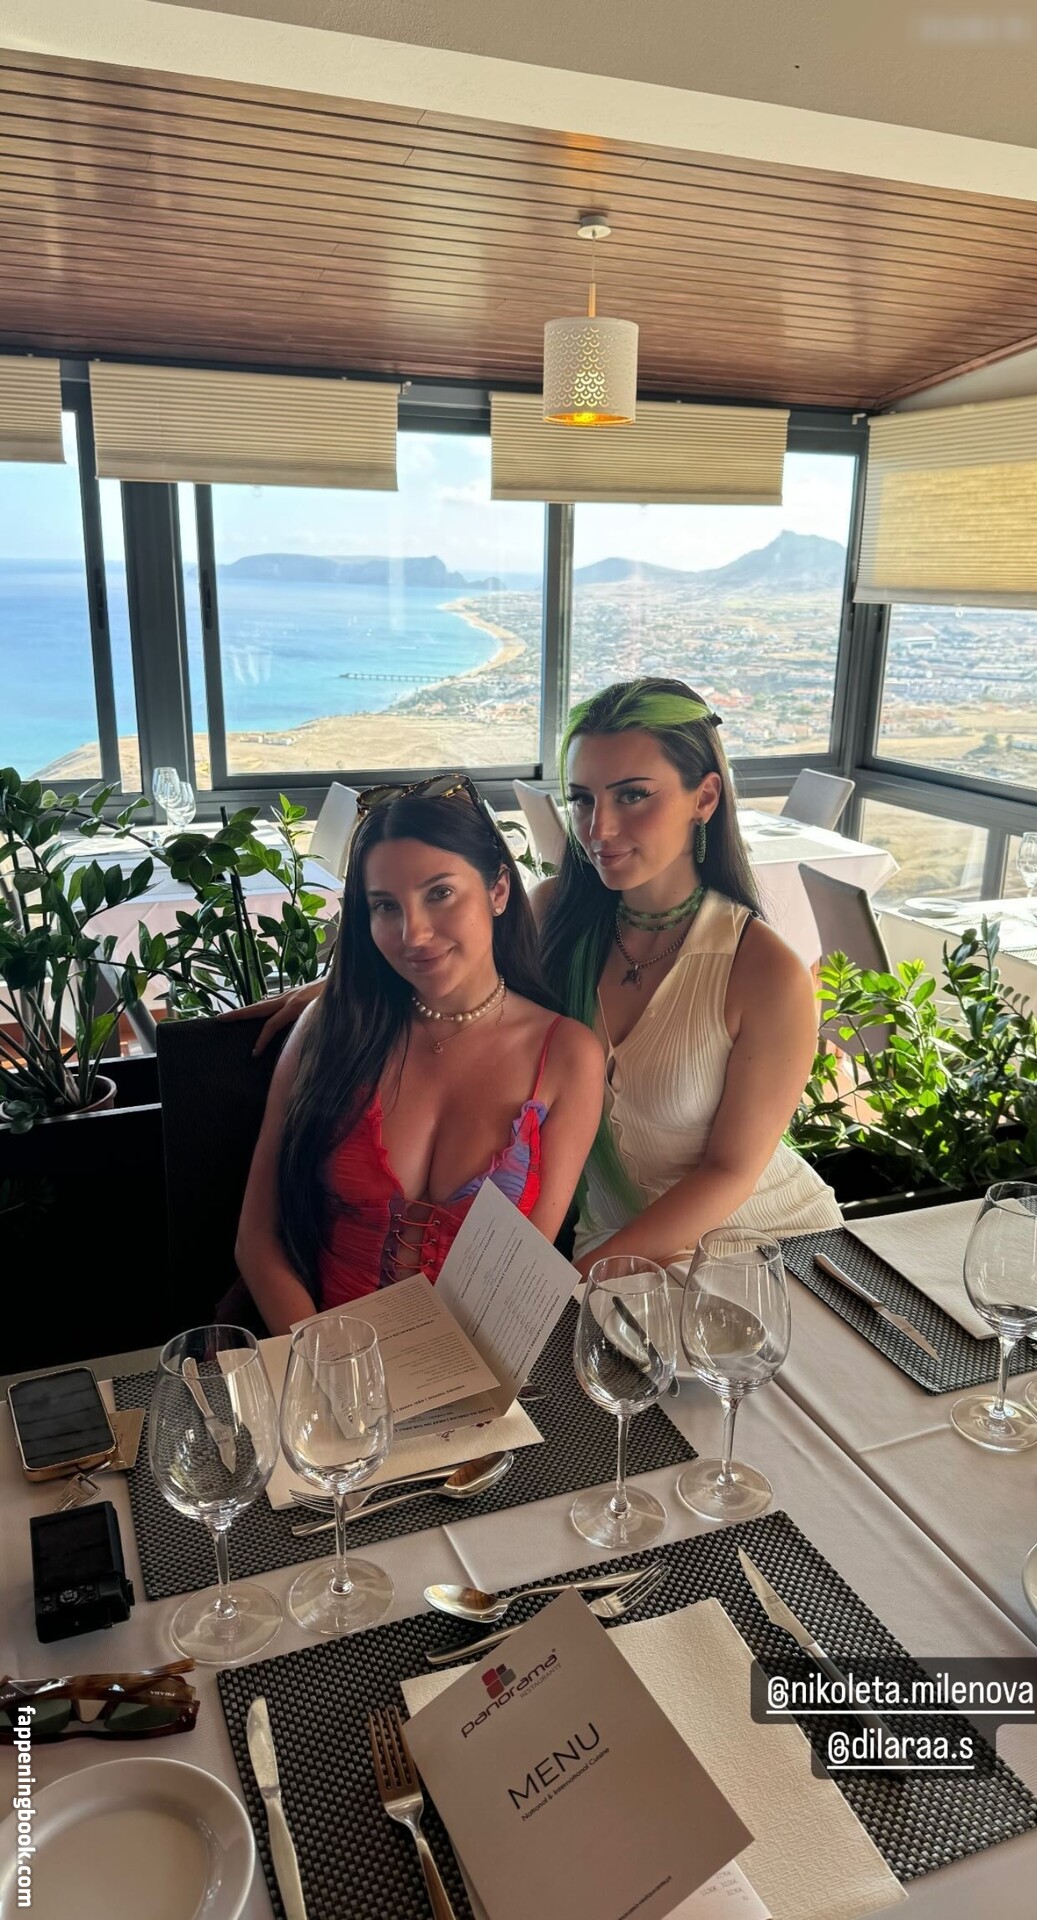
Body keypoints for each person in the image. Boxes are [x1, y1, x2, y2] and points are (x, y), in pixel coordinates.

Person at [234, 776, 603, 1333]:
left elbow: (521, 1272)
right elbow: (257, 1240)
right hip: (320, 1350)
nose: (414, 935)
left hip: (480, 1356)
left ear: (499, 891)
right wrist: (325, 1361)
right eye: (385, 906)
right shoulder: (331, 1027)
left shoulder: (568, 1056)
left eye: (439, 893)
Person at [535, 677, 841, 1274]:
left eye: (632, 796)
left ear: (704, 798)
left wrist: (578, 1279)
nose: (599, 829)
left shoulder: (763, 970)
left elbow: (729, 1171)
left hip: (765, 1253)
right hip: (614, 1252)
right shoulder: (552, 918)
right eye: (583, 799)